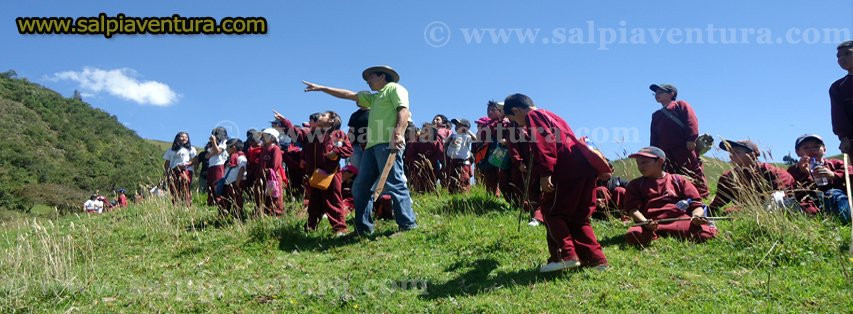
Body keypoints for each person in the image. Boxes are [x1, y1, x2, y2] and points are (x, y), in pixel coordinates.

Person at [302, 65, 418, 235]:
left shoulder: (394, 88)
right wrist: (322, 88)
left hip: (388, 143)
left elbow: (403, 110)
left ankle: (407, 225)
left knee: (394, 183)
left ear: (382, 77)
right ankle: (363, 229)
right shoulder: (374, 98)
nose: (368, 81)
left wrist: (399, 133)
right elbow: (348, 94)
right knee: (360, 187)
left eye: (370, 77)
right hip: (371, 147)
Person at [503, 93, 608, 272]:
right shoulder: (552, 115)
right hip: (583, 169)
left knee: (552, 212)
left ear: (516, 110)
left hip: (566, 172)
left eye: (512, 118)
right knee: (578, 218)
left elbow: (544, 143)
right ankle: (597, 261)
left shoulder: (532, 116)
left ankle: (566, 256)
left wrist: (546, 173)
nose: (516, 123)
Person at [275, 110, 353, 235]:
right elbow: (296, 134)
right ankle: (310, 228)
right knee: (314, 203)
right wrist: (285, 122)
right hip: (315, 175)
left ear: (331, 121)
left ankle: (340, 229)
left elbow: (348, 149)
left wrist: (336, 152)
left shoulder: (338, 134)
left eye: (323, 115)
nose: (320, 116)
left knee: (333, 201)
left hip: (331, 175)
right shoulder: (312, 134)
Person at [623, 147, 717, 246]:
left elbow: (696, 204)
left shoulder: (678, 180)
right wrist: (645, 222)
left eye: (644, 162)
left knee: (706, 234)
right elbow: (632, 209)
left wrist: (696, 216)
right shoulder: (635, 184)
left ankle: (657, 236)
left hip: (678, 220)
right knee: (633, 235)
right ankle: (655, 234)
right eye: (638, 163)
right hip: (650, 223)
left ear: (659, 161)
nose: (640, 167)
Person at [649, 84, 710, 198]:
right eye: (655, 93)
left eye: (660, 92)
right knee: (672, 175)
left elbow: (691, 121)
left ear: (671, 94)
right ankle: (681, 196)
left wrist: (691, 139)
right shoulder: (656, 115)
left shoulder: (680, 105)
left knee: (692, 171)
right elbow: (654, 135)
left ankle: (702, 196)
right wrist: (654, 152)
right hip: (665, 152)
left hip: (684, 147)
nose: (657, 95)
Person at [709, 140, 796, 214]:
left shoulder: (773, 172)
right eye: (730, 152)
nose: (731, 155)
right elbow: (718, 203)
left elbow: (782, 196)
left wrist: (744, 209)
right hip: (749, 213)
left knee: (778, 198)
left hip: (775, 214)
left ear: (751, 155)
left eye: (736, 152)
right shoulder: (728, 177)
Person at [787, 134, 852, 223]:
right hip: (812, 205)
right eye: (806, 148)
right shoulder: (794, 169)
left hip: (836, 200)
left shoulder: (834, 163)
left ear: (824, 149)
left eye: (817, 146)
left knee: (833, 194)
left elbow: (850, 170)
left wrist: (834, 175)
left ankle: (845, 220)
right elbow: (791, 188)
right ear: (797, 152)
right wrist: (803, 173)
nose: (812, 150)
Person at [474, 101, 510, 197]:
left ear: (500, 111)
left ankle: (500, 196)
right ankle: (490, 196)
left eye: (493, 110)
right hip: (487, 153)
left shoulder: (506, 121)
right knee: (489, 175)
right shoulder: (487, 123)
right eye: (488, 110)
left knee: (500, 174)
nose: (490, 112)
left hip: (501, 151)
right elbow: (482, 134)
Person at [405, 123, 443, 193]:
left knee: (431, 185)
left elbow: (440, 154)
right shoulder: (414, 142)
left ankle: (431, 193)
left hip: (432, 167)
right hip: (417, 168)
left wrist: (430, 161)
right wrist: (419, 161)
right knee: (418, 186)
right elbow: (409, 156)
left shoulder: (435, 142)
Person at [162, 131, 196, 207]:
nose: (184, 138)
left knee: (185, 188)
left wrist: (187, 164)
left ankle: (187, 206)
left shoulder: (190, 149)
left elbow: (195, 160)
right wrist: (166, 173)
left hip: (185, 170)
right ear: (177, 138)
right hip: (173, 170)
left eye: (186, 137)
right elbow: (167, 163)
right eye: (182, 136)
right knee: (174, 189)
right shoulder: (171, 150)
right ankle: (176, 206)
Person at [831, 40, 853, 154]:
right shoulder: (838, 87)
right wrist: (844, 137)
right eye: (838, 56)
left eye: (847, 53)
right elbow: (838, 116)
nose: (841, 58)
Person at [258, 128, 286, 216]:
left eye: (265, 135)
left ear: (272, 137)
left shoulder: (275, 149)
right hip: (264, 176)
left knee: (276, 197)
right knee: (266, 198)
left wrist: (268, 171)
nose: (262, 137)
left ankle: (277, 215)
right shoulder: (264, 149)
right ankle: (267, 213)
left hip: (273, 177)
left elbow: (276, 163)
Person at [445, 119, 476, 193]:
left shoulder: (467, 136)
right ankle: (452, 194)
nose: (457, 127)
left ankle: (463, 195)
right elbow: (445, 143)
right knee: (452, 179)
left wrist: (467, 131)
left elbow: (475, 139)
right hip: (452, 160)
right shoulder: (453, 135)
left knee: (463, 179)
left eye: (460, 125)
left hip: (463, 162)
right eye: (457, 125)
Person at [221, 139, 247, 219]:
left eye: (228, 147)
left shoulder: (241, 157)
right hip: (227, 183)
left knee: (237, 201)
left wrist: (237, 183)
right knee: (225, 202)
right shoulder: (230, 158)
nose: (226, 149)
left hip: (235, 183)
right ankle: (223, 217)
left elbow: (242, 169)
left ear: (234, 147)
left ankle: (237, 217)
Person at [206, 127, 230, 207]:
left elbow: (217, 151)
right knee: (210, 184)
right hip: (211, 165)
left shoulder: (224, 142)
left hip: (219, 165)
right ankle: (211, 202)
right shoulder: (212, 144)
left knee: (217, 183)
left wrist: (213, 143)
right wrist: (213, 150)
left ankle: (219, 201)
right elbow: (207, 156)